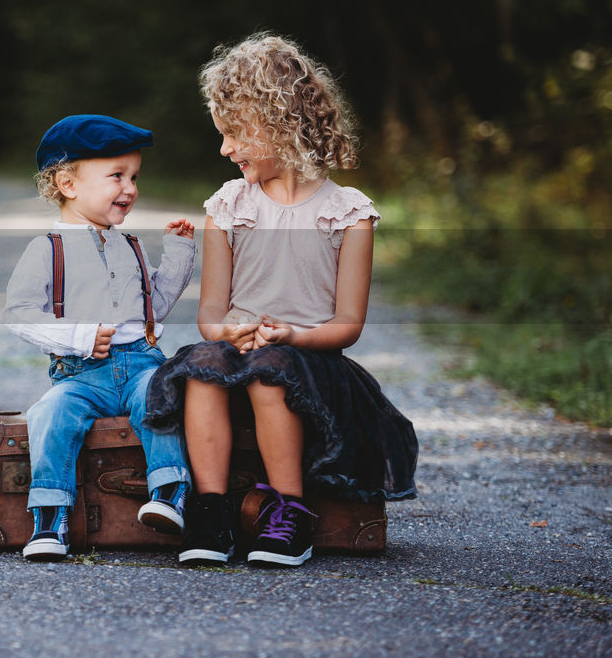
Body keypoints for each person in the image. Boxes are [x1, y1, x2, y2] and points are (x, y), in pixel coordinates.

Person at [144, 34, 418, 568]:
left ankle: (289, 512)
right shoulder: (228, 206)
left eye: (234, 133)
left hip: (312, 358)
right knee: (201, 366)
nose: (224, 149)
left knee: (273, 369)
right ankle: (211, 510)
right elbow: (209, 316)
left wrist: (292, 335)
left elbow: (348, 323)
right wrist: (228, 331)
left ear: (280, 124)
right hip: (241, 350)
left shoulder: (347, 213)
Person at [4, 114, 197, 561]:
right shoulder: (46, 249)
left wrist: (181, 253)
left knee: (160, 394)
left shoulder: (131, 245)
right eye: (116, 176)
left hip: (141, 363)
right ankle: (49, 521)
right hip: (79, 376)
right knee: (49, 414)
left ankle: (169, 494)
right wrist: (77, 336)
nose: (129, 188)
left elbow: (155, 306)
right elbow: (18, 314)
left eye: (134, 178)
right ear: (67, 183)